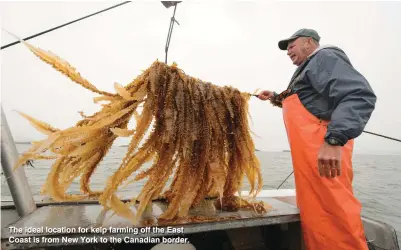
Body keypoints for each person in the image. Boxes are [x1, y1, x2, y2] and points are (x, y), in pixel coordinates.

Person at [257, 29, 377, 249]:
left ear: (309, 43)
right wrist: (274, 97)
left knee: (334, 211)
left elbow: (358, 94)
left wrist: (333, 141)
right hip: (310, 162)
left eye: (291, 46)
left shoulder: (323, 58)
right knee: (317, 213)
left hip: (324, 154)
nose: (288, 52)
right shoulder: (309, 68)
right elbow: (309, 100)